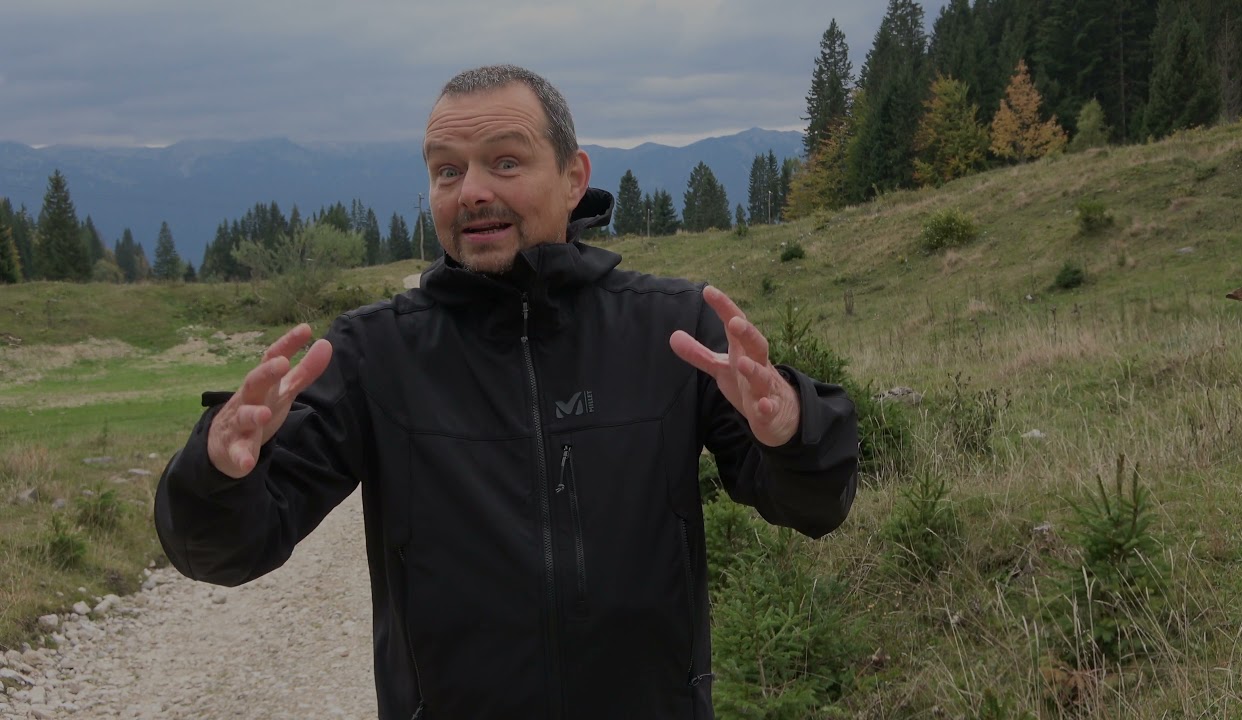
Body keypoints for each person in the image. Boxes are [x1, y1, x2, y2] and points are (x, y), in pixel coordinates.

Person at [155, 64, 859, 720]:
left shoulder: (671, 332)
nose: (471, 191)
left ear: (574, 178)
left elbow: (817, 505)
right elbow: (224, 550)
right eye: (447, 171)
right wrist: (217, 471)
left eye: (505, 162)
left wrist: (792, 430)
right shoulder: (376, 354)